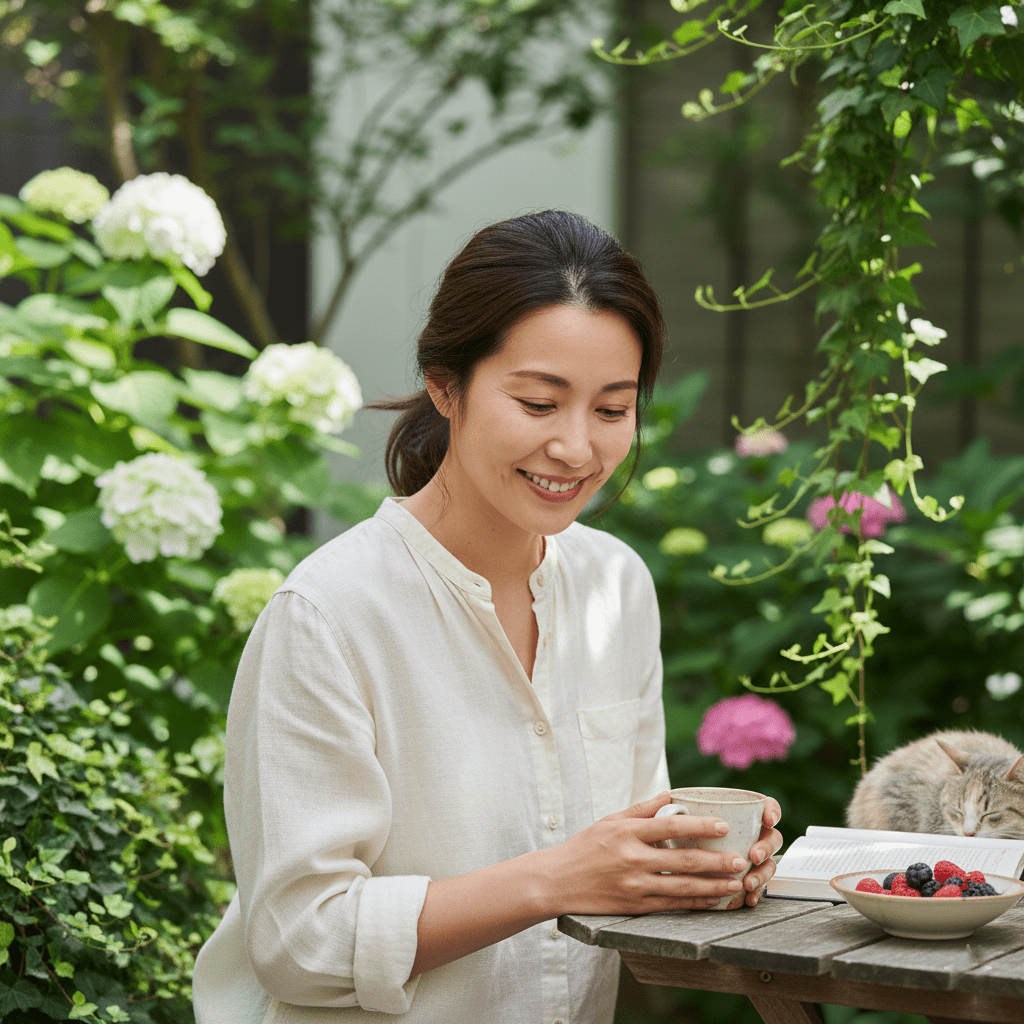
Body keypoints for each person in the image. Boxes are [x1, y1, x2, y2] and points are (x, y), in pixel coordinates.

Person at [192, 210, 783, 1024]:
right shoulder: (328, 615)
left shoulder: (616, 585)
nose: (576, 448)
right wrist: (559, 878)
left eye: (612, 410)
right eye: (539, 403)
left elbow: (621, 873)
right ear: (446, 384)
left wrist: (697, 866)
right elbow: (300, 941)